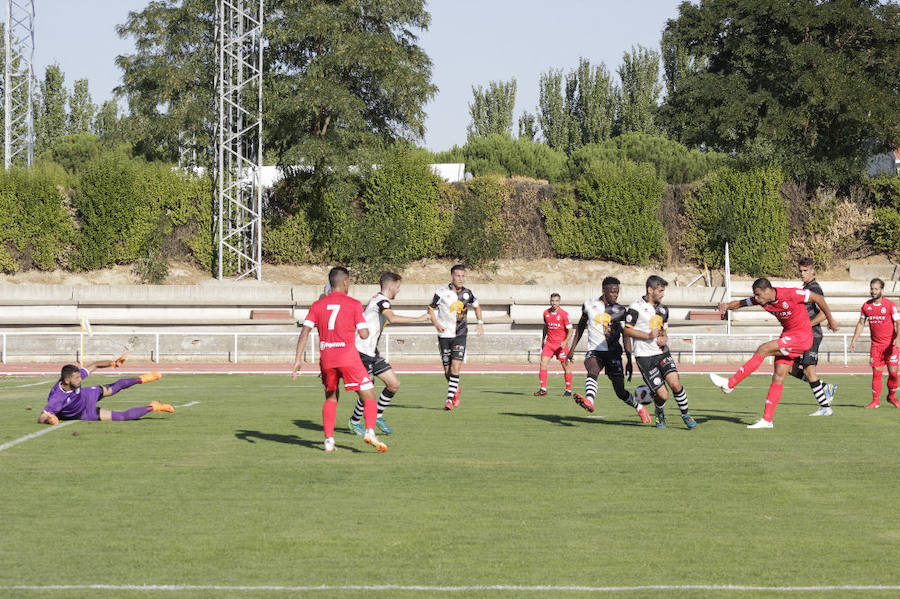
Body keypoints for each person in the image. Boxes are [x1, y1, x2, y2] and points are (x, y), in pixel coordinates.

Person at [710, 277, 839, 428]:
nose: (756, 298)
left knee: (763, 349)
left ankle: (730, 384)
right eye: (755, 295)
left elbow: (818, 298)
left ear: (768, 290)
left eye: (758, 294)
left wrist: (831, 320)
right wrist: (726, 306)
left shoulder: (790, 294)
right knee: (779, 374)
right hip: (788, 335)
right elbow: (740, 303)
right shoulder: (761, 299)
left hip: (801, 337)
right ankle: (767, 420)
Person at [292, 266, 388, 453]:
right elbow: (363, 333)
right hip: (348, 358)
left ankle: (328, 440)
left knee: (331, 397)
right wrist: (365, 330)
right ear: (345, 282)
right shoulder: (353, 304)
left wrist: (297, 359)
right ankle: (369, 431)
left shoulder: (317, 305)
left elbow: (305, 332)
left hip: (327, 358)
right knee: (369, 395)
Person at [347, 272, 430, 436]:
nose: (398, 291)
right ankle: (355, 422)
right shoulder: (381, 301)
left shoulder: (379, 300)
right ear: (391, 286)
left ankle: (377, 415)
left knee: (394, 384)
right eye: (398, 287)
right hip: (361, 352)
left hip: (371, 352)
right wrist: (419, 319)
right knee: (367, 391)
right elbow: (391, 318)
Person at [568, 277, 649, 424]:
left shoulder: (621, 310)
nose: (615, 295)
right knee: (592, 370)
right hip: (595, 350)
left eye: (617, 292)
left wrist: (629, 359)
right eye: (612, 292)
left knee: (620, 392)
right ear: (603, 290)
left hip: (613, 353)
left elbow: (626, 334)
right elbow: (580, 326)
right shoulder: (588, 305)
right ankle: (590, 401)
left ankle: (639, 407)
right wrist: (572, 348)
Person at [623, 275, 696, 429]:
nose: (663, 294)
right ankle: (660, 413)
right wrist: (648, 336)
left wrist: (664, 337)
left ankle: (685, 414)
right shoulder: (635, 307)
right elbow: (627, 331)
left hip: (662, 353)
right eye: (660, 290)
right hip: (645, 357)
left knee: (675, 384)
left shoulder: (663, 309)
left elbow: (664, 330)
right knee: (663, 395)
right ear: (650, 290)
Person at [38, 355, 169, 425]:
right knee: (123, 417)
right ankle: (154, 407)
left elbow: (95, 365)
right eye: (77, 378)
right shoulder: (57, 398)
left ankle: (144, 378)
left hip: (86, 395)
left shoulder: (74, 381)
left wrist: (113, 363)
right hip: (84, 413)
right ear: (67, 381)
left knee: (117, 386)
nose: (80, 379)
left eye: (80, 376)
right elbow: (42, 416)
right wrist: (48, 420)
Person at [428, 264, 484, 411]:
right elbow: (430, 309)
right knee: (447, 371)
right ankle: (455, 390)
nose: (461, 279)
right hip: (444, 335)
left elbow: (477, 306)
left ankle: (448, 400)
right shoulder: (441, 293)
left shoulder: (468, 293)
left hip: (460, 334)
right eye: (458, 276)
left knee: (455, 368)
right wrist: (436, 324)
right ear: (452, 276)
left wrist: (480, 322)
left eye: (463, 276)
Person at [789, 257, 837, 416]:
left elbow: (824, 313)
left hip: (812, 336)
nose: (802, 274)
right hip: (801, 336)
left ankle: (825, 407)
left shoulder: (815, 289)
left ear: (813, 271)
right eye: (800, 271)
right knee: (790, 368)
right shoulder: (806, 288)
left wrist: (807, 325)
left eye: (805, 271)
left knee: (809, 371)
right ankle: (824, 386)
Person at [849, 278, 900, 409]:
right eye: (872, 288)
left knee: (893, 374)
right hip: (876, 346)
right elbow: (861, 323)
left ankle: (892, 397)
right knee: (876, 373)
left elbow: (898, 322)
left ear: (882, 290)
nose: (873, 291)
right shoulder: (866, 306)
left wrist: (898, 338)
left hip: (891, 345)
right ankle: (875, 401)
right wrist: (854, 339)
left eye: (876, 289)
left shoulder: (889, 305)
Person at [534, 293, 574, 397]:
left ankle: (568, 390)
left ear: (559, 302)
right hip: (549, 344)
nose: (554, 303)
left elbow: (570, 330)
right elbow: (546, 327)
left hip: (561, 345)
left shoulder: (564, 314)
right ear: (550, 301)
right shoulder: (546, 313)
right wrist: (543, 340)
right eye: (552, 301)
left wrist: (565, 342)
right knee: (543, 363)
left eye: (556, 301)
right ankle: (543, 389)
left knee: (565, 366)